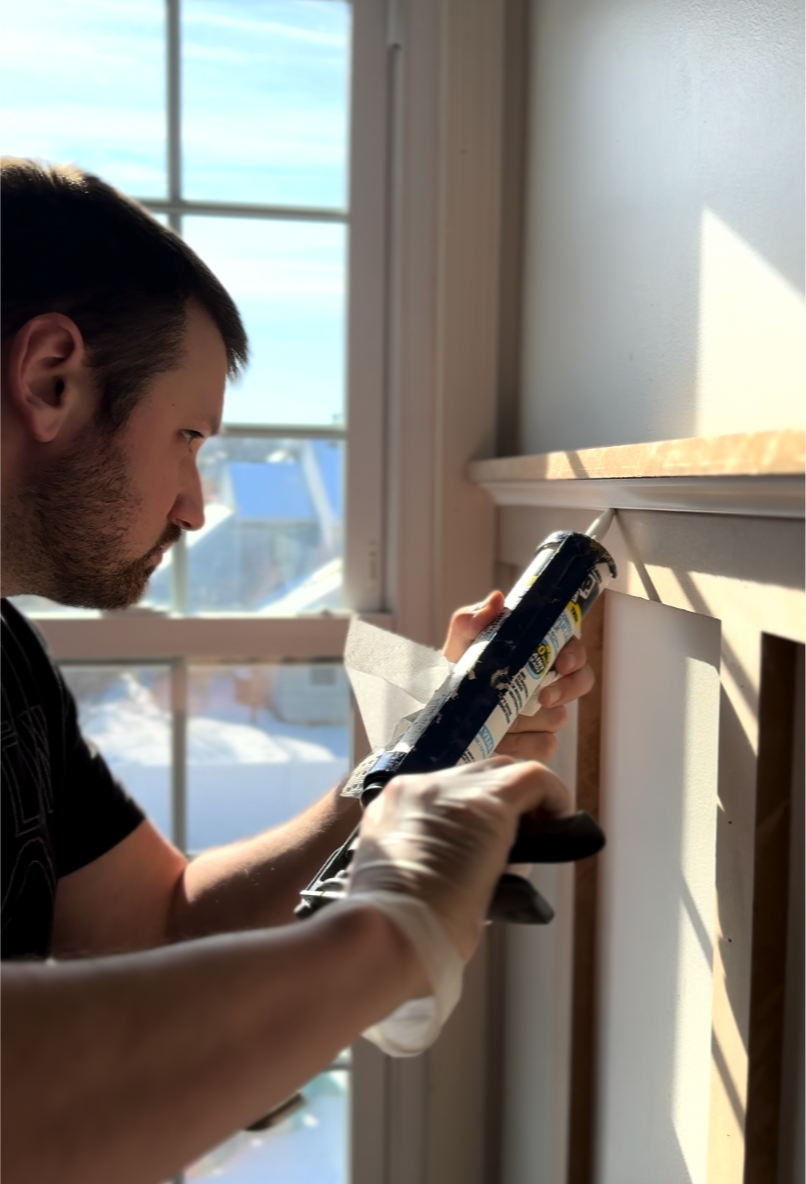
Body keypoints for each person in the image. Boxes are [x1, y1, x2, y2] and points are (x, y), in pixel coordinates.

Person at [0, 158, 594, 1183]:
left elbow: (155, 924)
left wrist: (389, 784)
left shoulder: (3, 656)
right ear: (53, 376)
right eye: (187, 435)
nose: (193, 505)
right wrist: (391, 928)